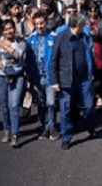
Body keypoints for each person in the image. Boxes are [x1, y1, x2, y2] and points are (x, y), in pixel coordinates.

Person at [50, 15, 96, 150]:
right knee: (66, 109)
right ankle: (66, 136)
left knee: (88, 105)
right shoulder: (61, 37)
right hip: (66, 80)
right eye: (82, 25)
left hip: (84, 78)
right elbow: (53, 60)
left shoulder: (85, 37)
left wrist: (94, 75)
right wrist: (54, 80)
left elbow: (90, 56)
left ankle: (89, 125)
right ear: (77, 25)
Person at [0, 19, 26, 148]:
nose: (9, 31)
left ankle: (15, 134)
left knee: (14, 105)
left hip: (16, 76)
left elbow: (18, 55)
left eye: (11, 28)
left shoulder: (20, 42)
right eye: (6, 29)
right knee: (4, 106)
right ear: (2, 31)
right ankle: (6, 129)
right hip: (0, 77)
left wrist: (5, 46)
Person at [26, 11, 60, 141]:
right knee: (41, 103)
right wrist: (28, 73)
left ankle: (52, 126)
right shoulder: (31, 39)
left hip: (50, 76)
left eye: (42, 23)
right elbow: (28, 59)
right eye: (37, 24)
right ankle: (44, 126)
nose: (40, 26)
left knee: (51, 102)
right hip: (37, 76)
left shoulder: (54, 37)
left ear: (46, 22)